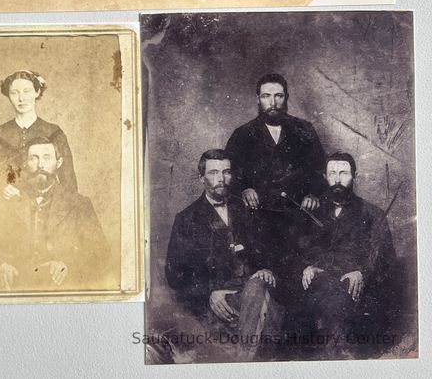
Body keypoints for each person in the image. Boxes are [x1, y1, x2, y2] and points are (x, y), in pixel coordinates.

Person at [164, 149, 283, 362]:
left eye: (226, 172)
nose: (221, 179)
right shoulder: (187, 219)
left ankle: (244, 361)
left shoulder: (249, 209)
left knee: (259, 288)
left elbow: (271, 250)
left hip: (254, 288)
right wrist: (211, 293)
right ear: (201, 178)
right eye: (213, 173)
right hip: (220, 302)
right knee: (267, 311)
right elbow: (175, 276)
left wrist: (266, 268)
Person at [224, 73, 326, 275]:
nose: (273, 102)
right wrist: (244, 189)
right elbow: (228, 177)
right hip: (259, 227)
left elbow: (320, 171)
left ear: (286, 97)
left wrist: (314, 195)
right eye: (266, 96)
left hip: (300, 225)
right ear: (257, 99)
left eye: (278, 96)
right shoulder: (242, 134)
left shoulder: (304, 130)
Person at [296, 152, 398, 349]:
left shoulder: (372, 214)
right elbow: (302, 251)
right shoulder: (313, 213)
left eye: (343, 173)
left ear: (354, 176)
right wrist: (310, 266)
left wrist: (362, 272)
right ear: (325, 177)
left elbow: (385, 259)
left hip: (358, 290)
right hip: (320, 285)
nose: (337, 179)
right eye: (332, 173)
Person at [0, 137, 108, 292]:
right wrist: (0, 265)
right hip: (17, 290)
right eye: (33, 158)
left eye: (47, 157)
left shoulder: (79, 204)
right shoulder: (8, 203)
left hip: (63, 293)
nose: (40, 165)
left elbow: (100, 253)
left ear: (58, 163)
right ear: (25, 164)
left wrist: (68, 265)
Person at [0, 70, 77, 199]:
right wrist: (2, 189)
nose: (21, 98)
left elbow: (69, 183)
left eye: (26, 91)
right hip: (8, 207)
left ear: (37, 92)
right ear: (8, 96)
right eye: (14, 93)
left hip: (46, 206)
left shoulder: (54, 133)